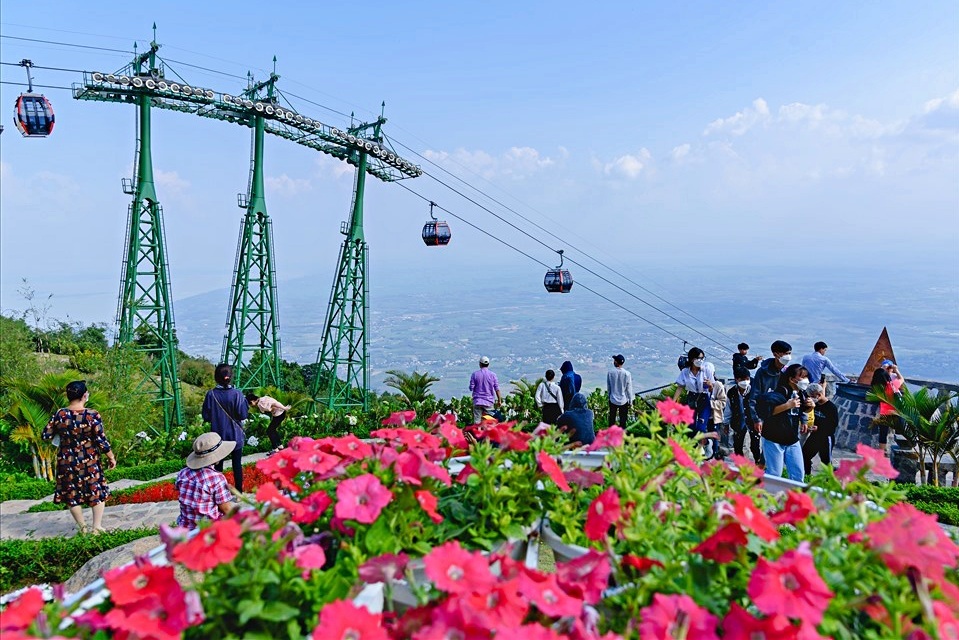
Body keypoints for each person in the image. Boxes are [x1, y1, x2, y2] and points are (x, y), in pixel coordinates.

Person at [41, 380, 117, 535]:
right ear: (84, 395)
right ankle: (96, 527)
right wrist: (111, 456)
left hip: (67, 461)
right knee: (96, 491)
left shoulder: (60, 414)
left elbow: (45, 435)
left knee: (71, 494)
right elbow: (101, 440)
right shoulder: (92, 415)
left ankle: (83, 528)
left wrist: (62, 435)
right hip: (89, 460)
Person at [756, 363, 814, 482]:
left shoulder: (801, 394)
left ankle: (795, 498)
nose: (806, 380)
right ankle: (764, 494)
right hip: (774, 439)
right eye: (802, 377)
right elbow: (765, 411)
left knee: (798, 474)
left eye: (806, 377)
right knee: (774, 474)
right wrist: (787, 405)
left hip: (792, 439)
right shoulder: (779, 393)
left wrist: (810, 407)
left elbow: (799, 411)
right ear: (792, 379)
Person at [176, 432, 238, 530]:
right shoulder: (216, 478)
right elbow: (226, 509)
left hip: (185, 528)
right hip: (207, 530)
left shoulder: (182, 474)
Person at [202, 364, 248, 492]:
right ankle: (239, 492)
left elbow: (206, 416)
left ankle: (219, 493)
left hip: (218, 436)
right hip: (236, 436)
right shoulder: (237, 394)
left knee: (217, 466)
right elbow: (243, 415)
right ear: (230, 377)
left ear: (216, 377)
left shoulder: (211, 394)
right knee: (236, 464)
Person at [749, 340, 794, 436]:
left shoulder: (787, 372)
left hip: (784, 415)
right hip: (767, 414)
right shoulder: (762, 372)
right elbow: (754, 397)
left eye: (789, 353)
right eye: (786, 353)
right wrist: (756, 419)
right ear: (776, 354)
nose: (788, 356)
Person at [673, 347, 717, 435]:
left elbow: (713, 388)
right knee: (690, 427)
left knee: (701, 427)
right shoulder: (685, 372)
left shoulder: (706, 370)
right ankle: (693, 447)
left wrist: (710, 385)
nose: (700, 361)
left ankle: (705, 443)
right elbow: (680, 387)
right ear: (692, 359)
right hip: (691, 398)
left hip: (704, 397)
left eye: (702, 358)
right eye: (698, 358)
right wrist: (673, 402)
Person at [802, 383, 839, 476]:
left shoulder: (831, 408)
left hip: (826, 438)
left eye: (813, 397)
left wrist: (819, 428)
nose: (812, 399)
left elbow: (833, 425)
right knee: (805, 455)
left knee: (826, 462)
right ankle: (807, 475)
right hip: (815, 436)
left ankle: (828, 481)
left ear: (819, 395)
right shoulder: (815, 405)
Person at [728, 367, 763, 464]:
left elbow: (759, 407)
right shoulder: (732, 392)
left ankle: (758, 462)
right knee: (738, 444)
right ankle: (740, 465)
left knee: (755, 444)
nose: (745, 382)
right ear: (736, 379)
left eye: (747, 379)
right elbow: (729, 408)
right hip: (738, 421)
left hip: (753, 421)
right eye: (742, 379)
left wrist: (759, 420)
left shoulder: (754, 391)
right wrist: (726, 423)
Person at [870, 359, 905, 453]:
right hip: (897, 410)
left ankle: (881, 451)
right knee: (901, 430)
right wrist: (896, 370)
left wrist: (883, 369)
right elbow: (902, 379)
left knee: (883, 431)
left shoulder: (876, 388)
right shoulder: (891, 385)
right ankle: (902, 450)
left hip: (885, 410)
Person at [469, 356, 502, 424]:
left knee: (477, 421)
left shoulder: (475, 374)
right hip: (488, 402)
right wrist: (499, 400)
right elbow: (497, 389)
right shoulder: (493, 375)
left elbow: (471, 388)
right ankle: (488, 434)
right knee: (489, 421)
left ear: (480, 364)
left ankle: (477, 433)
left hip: (477, 401)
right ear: (488, 364)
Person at [606, 354, 634, 428]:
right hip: (623, 400)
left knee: (612, 419)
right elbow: (629, 389)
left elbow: (609, 387)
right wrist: (630, 401)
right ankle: (622, 435)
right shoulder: (627, 374)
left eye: (614, 360)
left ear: (616, 362)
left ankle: (611, 434)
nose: (614, 361)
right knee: (623, 420)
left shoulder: (610, 373)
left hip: (612, 399)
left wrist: (609, 397)